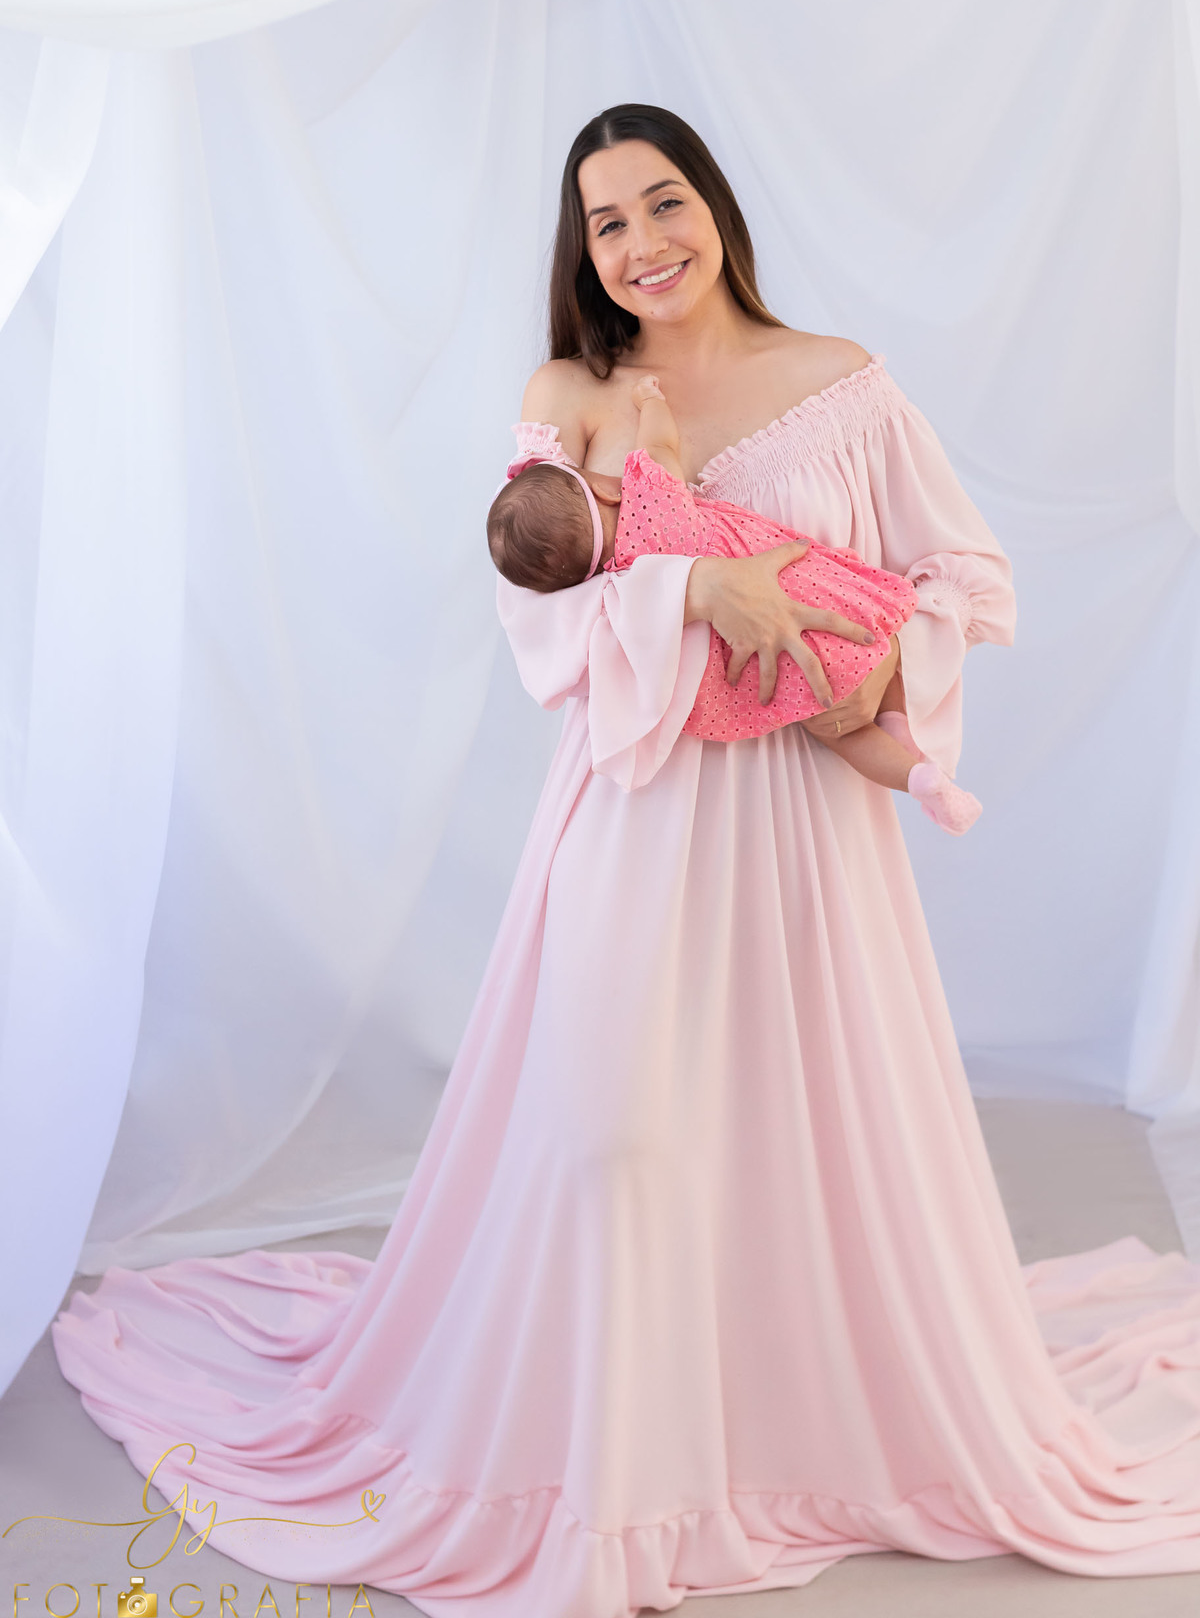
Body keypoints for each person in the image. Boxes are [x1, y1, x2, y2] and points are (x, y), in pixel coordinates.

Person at [52, 105, 1200, 1617]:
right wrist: (700, 593)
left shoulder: (841, 385)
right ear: (580, 251)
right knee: (612, 1129)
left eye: (665, 203)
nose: (644, 243)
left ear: (715, 207)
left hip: (810, 832)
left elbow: (968, 573)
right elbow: (544, 617)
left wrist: (872, 670)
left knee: (796, 1129)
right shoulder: (572, 399)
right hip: (637, 811)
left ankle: (782, 1434)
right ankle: (622, 1462)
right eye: (607, 222)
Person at [487, 370, 983, 833]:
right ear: (602, 487)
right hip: (822, 605)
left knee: (842, 731)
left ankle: (917, 777)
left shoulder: (622, 577)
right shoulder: (653, 496)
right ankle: (905, 737)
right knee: (875, 647)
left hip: (762, 681)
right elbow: (660, 443)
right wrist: (650, 401)